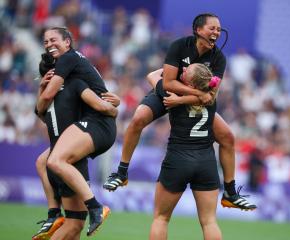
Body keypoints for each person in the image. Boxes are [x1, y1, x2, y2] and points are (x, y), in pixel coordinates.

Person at [104, 13, 256, 211]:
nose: (217, 33)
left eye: (219, 29)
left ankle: (230, 192)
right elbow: (168, 83)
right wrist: (193, 93)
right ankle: (121, 173)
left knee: (227, 136)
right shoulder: (179, 46)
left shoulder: (219, 57)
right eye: (212, 28)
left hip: (188, 99)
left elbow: (210, 97)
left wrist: (181, 99)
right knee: (138, 118)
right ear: (198, 30)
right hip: (168, 93)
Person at [35, 26, 118, 236]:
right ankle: (63, 212)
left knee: (51, 161)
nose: (48, 45)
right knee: (74, 224)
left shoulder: (68, 63)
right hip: (89, 127)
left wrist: (111, 107)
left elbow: (42, 107)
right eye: (45, 42)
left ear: (67, 43)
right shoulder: (72, 79)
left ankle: (79, 209)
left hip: (96, 124)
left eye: (53, 39)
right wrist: (111, 104)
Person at [149, 63, 222, 240]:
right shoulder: (211, 96)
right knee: (209, 222)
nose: (182, 71)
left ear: (190, 85)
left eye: (186, 72)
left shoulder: (174, 94)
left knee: (161, 218)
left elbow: (152, 76)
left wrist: (172, 68)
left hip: (178, 159)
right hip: (206, 161)